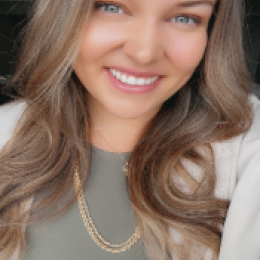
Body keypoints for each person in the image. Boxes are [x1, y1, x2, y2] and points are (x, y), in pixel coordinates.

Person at [0, 0, 260, 259]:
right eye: (111, 7)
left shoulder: (248, 151)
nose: (144, 52)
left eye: (185, 18)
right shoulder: (5, 134)